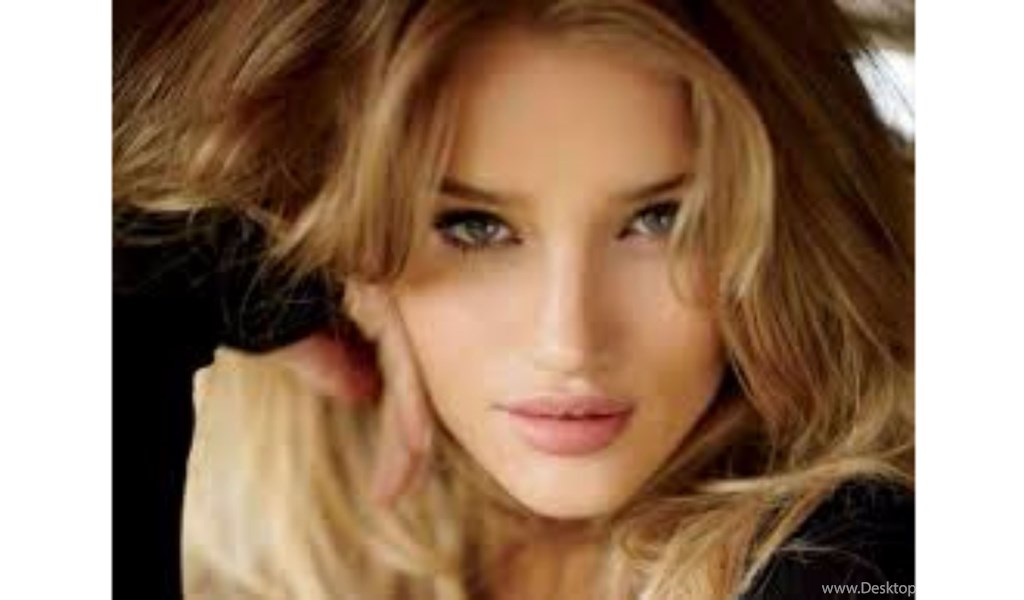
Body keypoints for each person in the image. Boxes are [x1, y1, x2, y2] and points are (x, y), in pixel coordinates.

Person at [116, 1, 914, 599]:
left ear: (783, 229)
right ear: (344, 241)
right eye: (474, 226)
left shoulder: (864, 558)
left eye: (661, 219)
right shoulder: (273, 536)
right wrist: (154, 303)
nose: (569, 342)